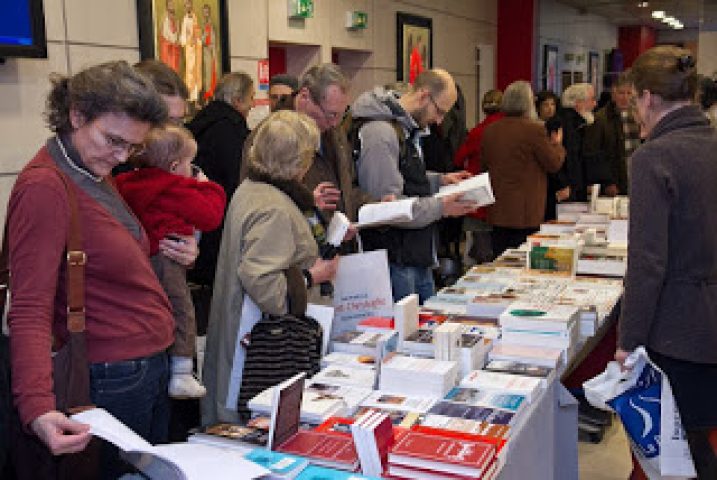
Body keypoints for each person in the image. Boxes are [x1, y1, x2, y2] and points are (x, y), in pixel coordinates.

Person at [6, 61, 190, 477]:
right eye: (113, 140)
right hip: (112, 377)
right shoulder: (46, 187)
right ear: (76, 115)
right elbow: (30, 308)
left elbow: (109, 255)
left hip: (140, 367)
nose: (122, 156)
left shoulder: (90, 168)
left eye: (133, 147)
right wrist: (37, 407)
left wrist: (172, 248)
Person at [615, 46, 717, 479]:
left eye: (635, 101)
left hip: (677, 333)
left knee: (675, 457)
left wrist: (627, 340)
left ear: (648, 98)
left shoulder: (653, 158)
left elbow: (647, 263)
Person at [202, 110, 339, 424]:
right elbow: (264, 283)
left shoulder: (252, 188)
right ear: (299, 162)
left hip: (238, 324)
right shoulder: (273, 208)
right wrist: (312, 275)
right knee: (253, 416)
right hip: (263, 344)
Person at [115, 124, 226, 399]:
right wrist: (207, 186)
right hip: (168, 258)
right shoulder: (175, 188)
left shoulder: (125, 183)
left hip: (141, 260)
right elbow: (210, 215)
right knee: (182, 310)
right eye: (191, 163)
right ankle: (182, 372)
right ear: (176, 166)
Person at [350, 69, 476, 303]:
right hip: (396, 259)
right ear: (423, 96)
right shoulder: (380, 132)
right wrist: (441, 208)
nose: (439, 121)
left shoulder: (403, 128)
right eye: (439, 111)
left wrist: (439, 181)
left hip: (415, 253)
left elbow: (403, 177)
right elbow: (386, 208)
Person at [187, 72, 253, 308]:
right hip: (222, 219)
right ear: (237, 100)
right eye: (250, 99)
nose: (252, 105)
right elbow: (237, 180)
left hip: (199, 217)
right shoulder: (231, 130)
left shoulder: (198, 123)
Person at [481, 80, 565, 258]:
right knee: (523, 260)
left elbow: (484, 164)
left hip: (498, 208)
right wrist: (557, 145)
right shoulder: (534, 130)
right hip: (526, 211)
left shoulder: (490, 130)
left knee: (500, 259)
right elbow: (553, 164)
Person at [453, 89, 504, 266]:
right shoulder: (508, 129)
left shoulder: (477, 131)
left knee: (480, 239)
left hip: (480, 191)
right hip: (504, 193)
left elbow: (459, 158)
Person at [583, 72, 640, 196]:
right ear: (613, 94)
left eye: (629, 93)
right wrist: (606, 182)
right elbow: (594, 153)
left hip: (638, 176)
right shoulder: (601, 118)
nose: (625, 97)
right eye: (621, 93)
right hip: (615, 180)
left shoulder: (641, 116)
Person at [554, 82, 596, 202]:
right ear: (578, 103)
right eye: (591, 100)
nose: (595, 104)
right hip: (566, 192)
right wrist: (563, 184)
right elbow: (561, 158)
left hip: (573, 189)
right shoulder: (566, 125)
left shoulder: (578, 124)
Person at [180, 0, 202, 102]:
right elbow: (183, 35)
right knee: (190, 69)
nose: (188, 6)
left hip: (196, 47)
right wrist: (188, 41)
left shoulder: (194, 17)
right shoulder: (185, 19)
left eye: (190, 4)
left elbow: (198, 32)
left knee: (197, 70)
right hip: (189, 48)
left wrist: (197, 39)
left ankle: (196, 96)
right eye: (186, 5)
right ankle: (189, 94)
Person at [200, 3, 218, 101]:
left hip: (212, 51)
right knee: (207, 75)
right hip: (205, 51)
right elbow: (200, 40)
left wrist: (213, 47)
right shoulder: (201, 25)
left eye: (207, 12)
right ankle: (206, 97)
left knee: (213, 74)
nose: (206, 14)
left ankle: (212, 95)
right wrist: (204, 37)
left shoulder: (211, 24)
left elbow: (214, 38)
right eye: (204, 12)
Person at [159, 0, 180, 73]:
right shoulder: (165, 18)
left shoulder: (175, 18)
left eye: (172, 4)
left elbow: (176, 32)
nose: (171, 6)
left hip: (173, 47)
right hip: (167, 47)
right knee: (168, 66)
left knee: (174, 66)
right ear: (167, 6)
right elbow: (165, 33)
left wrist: (176, 40)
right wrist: (173, 41)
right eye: (170, 4)